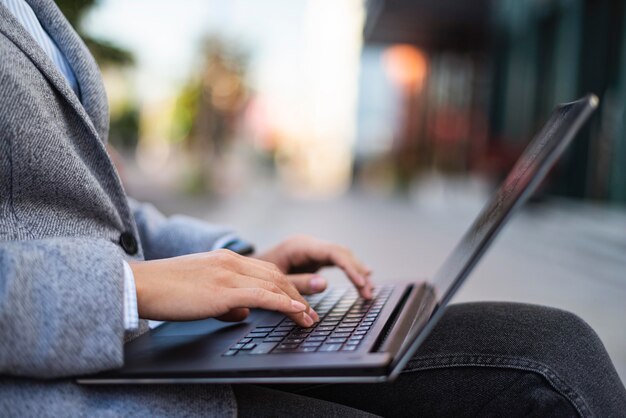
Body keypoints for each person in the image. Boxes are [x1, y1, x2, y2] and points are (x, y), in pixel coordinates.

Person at [1, 1, 625, 416]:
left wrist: (239, 262)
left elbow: (106, 208)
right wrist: (125, 289)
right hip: (59, 381)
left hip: (139, 342)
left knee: (552, 348)